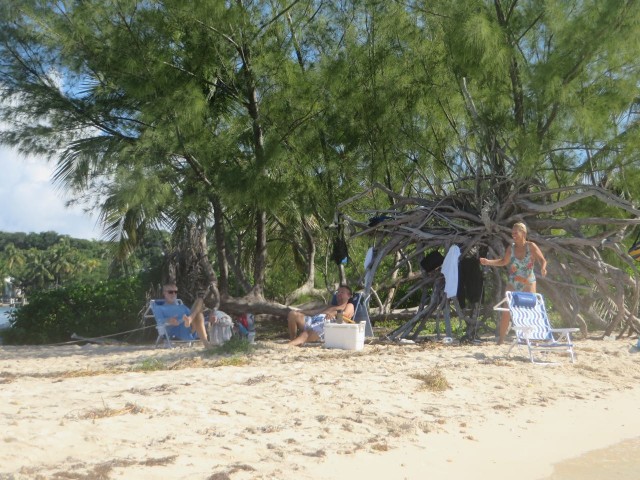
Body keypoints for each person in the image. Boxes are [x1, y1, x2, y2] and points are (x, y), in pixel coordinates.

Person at [479, 223, 548, 344]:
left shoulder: (531, 246)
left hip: (528, 282)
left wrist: (543, 268)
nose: (513, 235)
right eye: (512, 233)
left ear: (524, 233)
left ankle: (531, 337)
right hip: (514, 281)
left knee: (529, 310)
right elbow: (503, 261)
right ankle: (501, 339)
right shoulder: (511, 248)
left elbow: (542, 260)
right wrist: (488, 262)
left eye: (516, 233)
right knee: (507, 310)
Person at [287, 285, 355, 347]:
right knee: (292, 314)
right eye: (338, 292)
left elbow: (346, 314)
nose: (338, 294)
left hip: (326, 325)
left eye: (342, 292)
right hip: (313, 320)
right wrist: (301, 311)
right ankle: (293, 339)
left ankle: (289, 345)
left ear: (349, 296)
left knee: (305, 334)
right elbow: (315, 312)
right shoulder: (331, 306)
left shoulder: (349, 305)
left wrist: (334, 313)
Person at [153, 283, 211, 348]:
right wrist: (169, 320)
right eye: (170, 292)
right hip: (177, 330)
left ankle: (190, 319)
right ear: (164, 293)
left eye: (175, 292)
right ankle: (206, 343)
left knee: (200, 300)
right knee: (198, 314)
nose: (174, 294)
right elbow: (159, 320)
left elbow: (194, 315)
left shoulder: (182, 306)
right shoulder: (159, 308)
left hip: (191, 327)